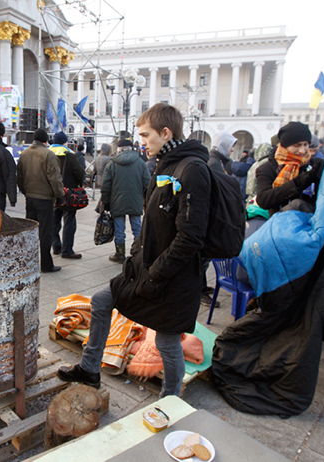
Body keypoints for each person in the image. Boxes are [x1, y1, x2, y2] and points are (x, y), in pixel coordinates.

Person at [58, 103, 211, 398]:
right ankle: (90, 370)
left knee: (167, 344)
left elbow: (191, 237)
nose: (142, 141)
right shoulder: (164, 164)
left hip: (171, 279)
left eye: (146, 134)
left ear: (165, 133)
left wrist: (154, 274)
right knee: (102, 302)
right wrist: (135, 261)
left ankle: (171, 401)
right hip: (144, 270)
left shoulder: (192, 170)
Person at [16, 128, 65, 273]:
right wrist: (60, 196)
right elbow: (55, 179)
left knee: (30, 231)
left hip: (30, 197)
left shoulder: (24, 154)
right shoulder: (48, 154)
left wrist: (26, 192)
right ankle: (46, 264)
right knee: (45, 232)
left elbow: (19, 177)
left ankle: (29, 262)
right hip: (44, 199)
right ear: (45, 141)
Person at [255, 122, 322, 216]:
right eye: (297, 145)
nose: (302, 151)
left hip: (311, 224)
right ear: (285, 146)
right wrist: (296, 184)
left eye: (305, 145)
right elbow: (263, 200)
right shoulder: (267, 168)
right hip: (281, 224)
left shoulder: (314, 164)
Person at [101, 138, 150, 263]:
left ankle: (120, 254)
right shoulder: (140, 162)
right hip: (136, 200)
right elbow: (147, 183)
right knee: (137, 228)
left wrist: (106, 202)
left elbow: (106, 186)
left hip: (117, 201)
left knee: (119, 228)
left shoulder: (112, 163)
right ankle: (139, 252)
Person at [50, 131, 84, 259]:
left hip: (53, 193)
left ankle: (56, 246)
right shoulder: (69, 155)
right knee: (69, 220)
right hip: (68, 193)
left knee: (54, 220)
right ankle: (67, 250)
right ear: (65, 142)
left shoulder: (48, 154)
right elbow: (80, 173)